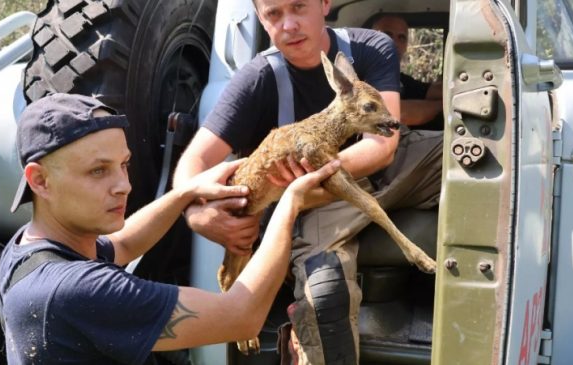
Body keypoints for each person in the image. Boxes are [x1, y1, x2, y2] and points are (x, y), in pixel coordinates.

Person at [173, 0, 443, 364]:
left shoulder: (371, 48)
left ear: (324, 4)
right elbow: (193, 161)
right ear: (261, 20)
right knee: (325, 296)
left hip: (383, 168)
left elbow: (383, 145)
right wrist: (196, 215)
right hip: (313, 201)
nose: (289, 25)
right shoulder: (257, 79)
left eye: (298, 7)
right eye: (273, 14)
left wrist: (312, 168)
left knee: (468, 155)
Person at [0, 93, 341, 364]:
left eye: (124, 165)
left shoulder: (29, 249)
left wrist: (186, 192)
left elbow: (124, 243)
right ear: (39, 180)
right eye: (98, 171)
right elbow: (241, 315)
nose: (124, 186)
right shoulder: (78, 290)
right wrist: (289, 200)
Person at [372, 13, 444, 130]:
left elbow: (431, 91)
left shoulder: (400, 80)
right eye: (387, 35)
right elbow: (398, 114)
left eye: (401, 37)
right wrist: (442, 105)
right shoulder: (360, 74)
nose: (394, 43)